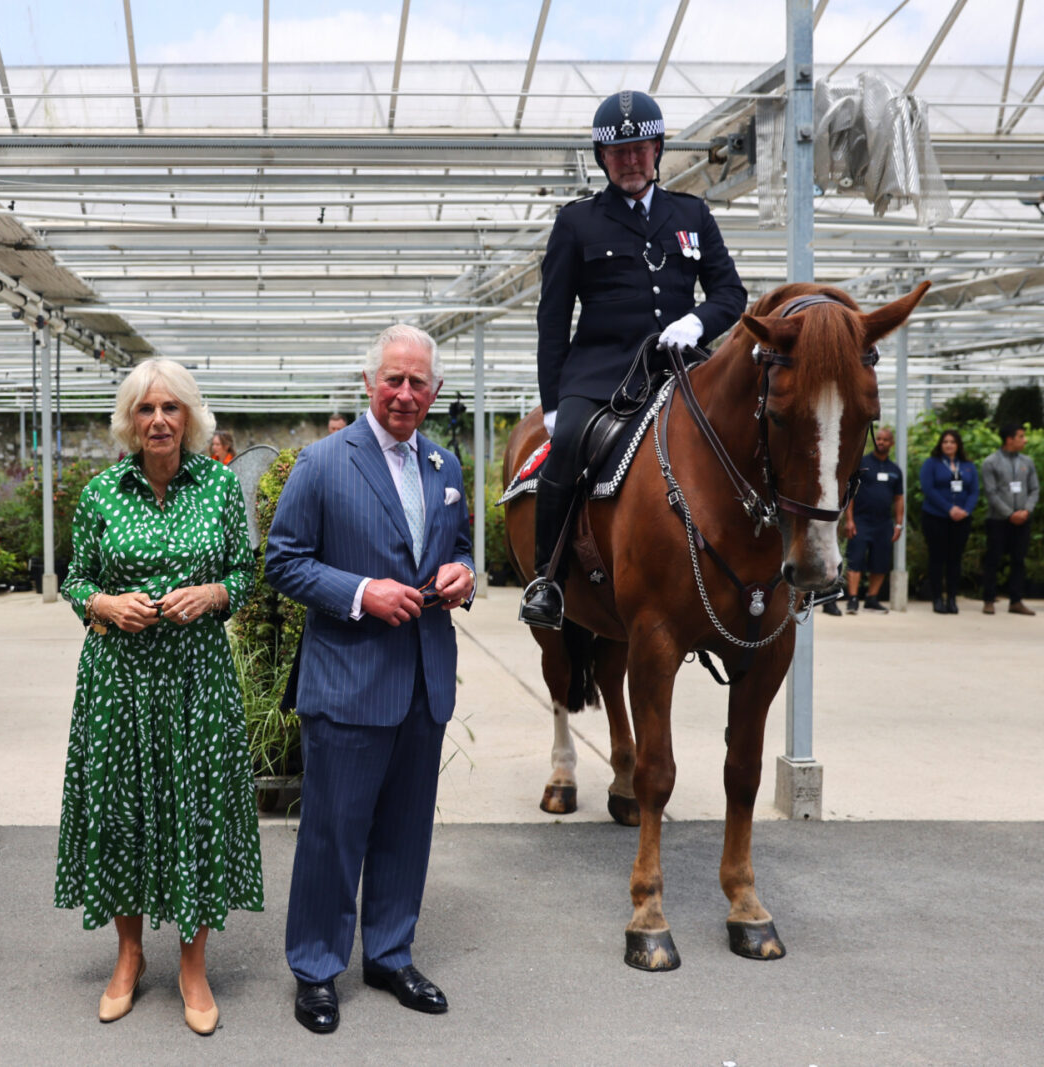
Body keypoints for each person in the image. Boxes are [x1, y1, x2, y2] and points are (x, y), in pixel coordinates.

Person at [264, 324, 475, 1035]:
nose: (406, 394)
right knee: (333, 831)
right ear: (368, 383)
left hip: (422, 680)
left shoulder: (446, 467)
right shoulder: (323, 463)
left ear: (435, 391)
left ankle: (388, 953)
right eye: (394, 379)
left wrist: (464, 574)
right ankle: (317, 967)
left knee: (406, 829)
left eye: (419, 382)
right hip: (349, 681)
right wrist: (363, 592)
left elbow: (463, 547)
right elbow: (284, 561)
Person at [55, 359, 263, 1036]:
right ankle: (129, 952)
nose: (159, 421)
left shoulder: (221, 490)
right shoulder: (100, 494)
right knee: (122, 811)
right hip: (119, 680)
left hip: (197, 679)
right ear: (130, 420)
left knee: (195, 811)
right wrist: (106, 604)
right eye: (146, 409)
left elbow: (243, 570)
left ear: (191, 418)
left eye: (172, 408)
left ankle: (193, 962)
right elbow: (74, 580)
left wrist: (213, 594)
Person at [520, 89, 747, 629]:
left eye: (640, 149)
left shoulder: (692, 214)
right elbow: (552, 319)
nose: (630, 160)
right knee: (568, 446)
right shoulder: (576, 223)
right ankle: (545, 581)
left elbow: (729, 293)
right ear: (603, 158)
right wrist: (553, 403)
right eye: (618, 153)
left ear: (658, 150)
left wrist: (696, 321)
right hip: (599, 374)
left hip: (682, 366)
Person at [841, 426, 905, 614]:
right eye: (878, 438)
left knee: (881, 562)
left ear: (891, 444)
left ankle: (872, 598)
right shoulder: (863, 463)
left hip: (884, 523)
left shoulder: (895, 470)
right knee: (855, 560)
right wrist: (849, 520)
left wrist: (898, 524)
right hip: (861, 521)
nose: (881, 442)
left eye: (885, 439)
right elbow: (850, 493)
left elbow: (899, 498)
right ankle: (852, 599)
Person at [980, 423, 1038, 615]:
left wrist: (1026, 511)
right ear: (1009, 439)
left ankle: (1016, 600)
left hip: (1022, 519)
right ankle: (989, 599)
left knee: (1019, 560)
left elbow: (1034, 489)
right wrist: (1009, 514)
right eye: (1021, 436)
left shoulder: (1027, 462)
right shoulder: (991, 462)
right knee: (993, 559)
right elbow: (991, 492)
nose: (1024, 440)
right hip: (998, 520)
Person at [919, 429, 979, 614]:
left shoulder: (968, 465)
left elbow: (974, 491)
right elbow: (928, 489)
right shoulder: (932, 464)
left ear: (958, 445)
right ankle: (937, 599)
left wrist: (966, 510)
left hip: (961, 520)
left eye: (952, 442)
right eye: (945, 442)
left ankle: (952, 599)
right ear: (941, 444)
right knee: (937, 558)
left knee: (955, 560)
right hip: (936, 517)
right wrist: (949, 508)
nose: (949, 445)